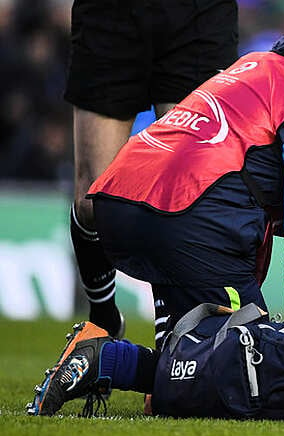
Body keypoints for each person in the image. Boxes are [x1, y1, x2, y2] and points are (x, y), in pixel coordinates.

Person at [27, 32, 284, 417]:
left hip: (121, 201)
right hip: (189, 218)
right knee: (262, 372)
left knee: (199, 356)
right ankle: (106, 359)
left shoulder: (264, 64)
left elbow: (243, 161)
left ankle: (149, 380)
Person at [66, 0, 240, 338]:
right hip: (111, 16)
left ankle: (174, 338)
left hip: (199, 15)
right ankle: (103, 320)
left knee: (191, 186)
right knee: (92, 201)